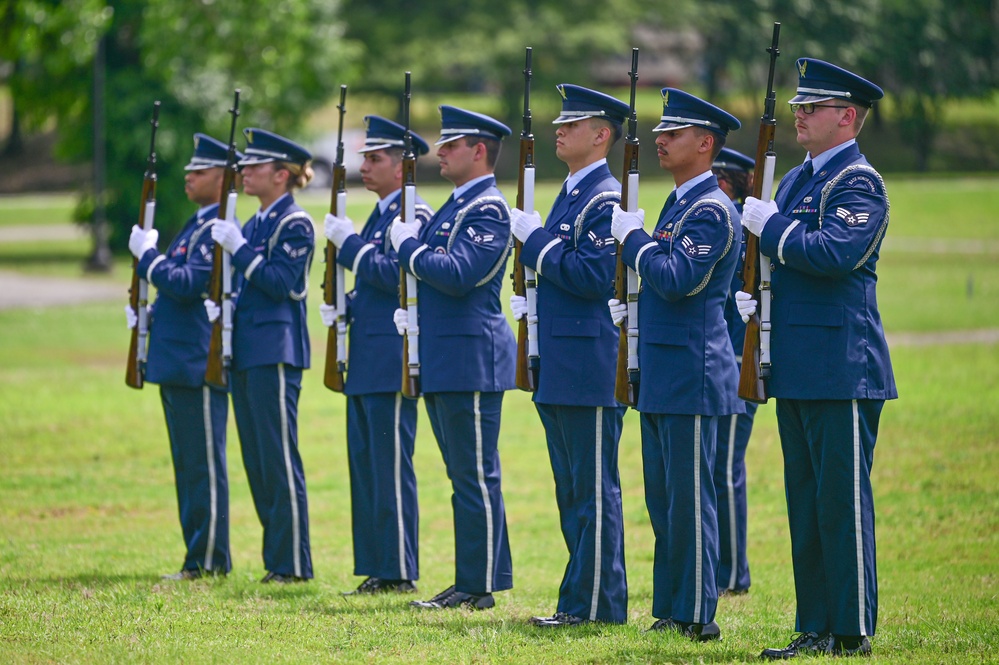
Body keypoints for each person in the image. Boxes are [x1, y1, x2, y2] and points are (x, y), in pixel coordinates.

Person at [737, 58, 895, 659]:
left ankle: (851, 629)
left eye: (814, 108)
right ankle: (814, 624)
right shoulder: (798, 179)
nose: (800, 115)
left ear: (847, 117)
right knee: (805, 503)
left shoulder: (858, 181)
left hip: (842, 363)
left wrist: (772, 231)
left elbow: (834, 254)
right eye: (799, 106)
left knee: (841, 503)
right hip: (798, 360)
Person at [608, 88, 743, 641]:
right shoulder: (680, 201)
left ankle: (695, 613)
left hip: (694, 369)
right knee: (663, 499)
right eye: (661, 133)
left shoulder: (710, 209)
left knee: (690, 499)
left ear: (705, 143)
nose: (660, 141)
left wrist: (633, 243)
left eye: (675, 134)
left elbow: (676, 277)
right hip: (665, 367)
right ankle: (671, 607)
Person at [508, 84, 630, 627]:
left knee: (594, 490)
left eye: (572, 124)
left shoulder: (605, 197)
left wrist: (537, 244)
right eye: (559, 123)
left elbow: (593, 275)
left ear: (601, 135)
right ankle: (577, 599)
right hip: (560, 361)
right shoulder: (573, 191)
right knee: (572, 490)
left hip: (590, 364)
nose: (560, 130)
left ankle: (599, 604)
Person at [390, 106, 516, 610]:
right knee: (461, 473)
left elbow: (459, 272)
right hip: (447, 354)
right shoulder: (456, 205)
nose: (439, 151)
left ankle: (479, 584)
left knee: (474, 473)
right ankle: (470, 577)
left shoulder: (487, 208)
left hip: (472, 356)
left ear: (479, 150)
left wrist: (409, 251)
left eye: (451, 144)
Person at [320, 116, 434, 595]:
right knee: (365, 465)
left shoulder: (414, 214)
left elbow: (396, 275)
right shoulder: (380, 213)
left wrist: (347, 246)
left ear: (401, 166)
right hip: (366, 352)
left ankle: (398, 568)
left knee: (388, 464)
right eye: (364, 158)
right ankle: (377, 566)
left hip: (390, 354)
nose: (364, 166)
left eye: (375, 159)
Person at [207, 128, 316, 583]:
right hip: (247, 348)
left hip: (276, 350)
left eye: (255, 167)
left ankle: (293, 563)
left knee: (277, 456)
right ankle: (277, 560)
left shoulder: (295, 223)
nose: (244, 173)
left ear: (281, 174)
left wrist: (240, 250)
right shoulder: (252, 223)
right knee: (256, 458)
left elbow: (283, 283)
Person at [127, 133, 236, 580]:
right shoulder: (197, 223)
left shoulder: (217, 229)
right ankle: (197, 556)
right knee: (188, 465)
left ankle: (209, 559)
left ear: (223, 179)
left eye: (200, 171)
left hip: (197, 361)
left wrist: (148, 258)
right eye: (188, 170)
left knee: (203, 466)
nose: (188, 177)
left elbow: (190, 282)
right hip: (177, 359)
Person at [710, 147, 759, 597]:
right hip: (725, 360)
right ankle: (724, 569)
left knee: (724, 468)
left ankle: (731, 574)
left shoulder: (741, 230)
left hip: (734, 363)